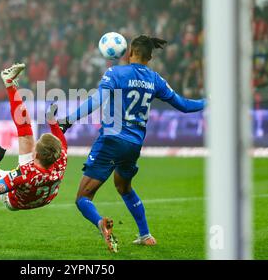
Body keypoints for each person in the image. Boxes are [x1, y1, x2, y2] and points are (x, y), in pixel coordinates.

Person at [59, 35, 206, 252]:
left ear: (129, 53)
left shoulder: (115, 73)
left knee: (83, 198)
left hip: (111, 140)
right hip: (134, 144)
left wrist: (68, 120)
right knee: (123, 186)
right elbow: (184, 105)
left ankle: (101, 223)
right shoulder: (155, 80)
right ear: (150, 56)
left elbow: (97, 100)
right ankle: (145, 235)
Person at [0, 63, 68, 210]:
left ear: (36, 155)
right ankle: (9, 83)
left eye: (36, 146)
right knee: (26, 130)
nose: (34, 145)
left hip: (15, 201)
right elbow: (61, 142)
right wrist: (52, 122)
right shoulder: (61, 159)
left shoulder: (23, 174)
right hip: (44, 198)